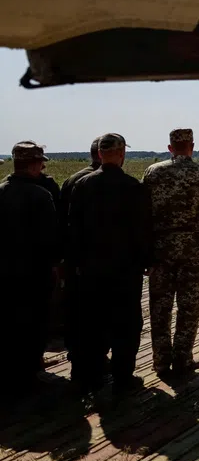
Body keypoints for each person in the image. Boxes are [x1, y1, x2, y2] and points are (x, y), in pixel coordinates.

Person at [66, 133, 152, 394]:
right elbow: (144, 230)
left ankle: (91, 377)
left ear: (100, 154)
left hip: (92, 270)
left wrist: (75, 263)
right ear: (122, 154)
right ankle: (123, 378)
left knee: (92, 322)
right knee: (126, 325)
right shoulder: (134, 187)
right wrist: (147, 260)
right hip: (126, 271)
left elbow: (74, 229)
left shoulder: (83, 186)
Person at [142, 128, 199, 376]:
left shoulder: (154, 172)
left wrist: (145, 251)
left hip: (160, 250)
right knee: (189, 307)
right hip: (191, 249)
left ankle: (161, 361)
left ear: (170, 148)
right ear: (192, 146)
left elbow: (142, 214)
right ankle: (183, 357)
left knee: (160, 307)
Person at [0, 142, 58, 392]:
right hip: (35, 273)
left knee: (8, 321)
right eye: (40, 162)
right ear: (33, 164)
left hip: (5, 273)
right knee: (35, 322)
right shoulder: (40, 195)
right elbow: (51, 238)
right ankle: (32, 372)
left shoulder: (0, 191)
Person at [57, 138, 101, 361]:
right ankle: (98, 357)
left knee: (76, 308)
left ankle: (76, 353)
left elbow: (63, 220)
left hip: (76, 257)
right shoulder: (118, 181)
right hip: (103, 259)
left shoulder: (72, 180)